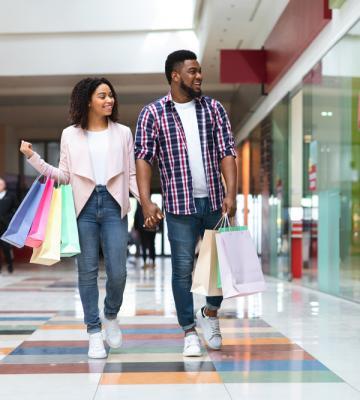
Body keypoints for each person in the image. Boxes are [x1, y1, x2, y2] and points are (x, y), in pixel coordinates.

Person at [20, 77, 139, 359]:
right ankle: (94, 332)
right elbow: (64, 176)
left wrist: (144, 202)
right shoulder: (69, 135)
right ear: (88, 100)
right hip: (82, 208)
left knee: (118, 271)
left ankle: (110, 314)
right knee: (86, 272)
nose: (109, 100)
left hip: (113, 205)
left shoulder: (123, 132)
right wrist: (33, 158)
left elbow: (131, 173)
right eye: (102, 96)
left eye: (111, 95)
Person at [135, 50, 237, 357]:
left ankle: (210, 313)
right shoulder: (153, 113)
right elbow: (143, 158)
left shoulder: (214, 109)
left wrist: (231, 192)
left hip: (215, 204)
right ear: (175, 76)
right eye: (192, 71)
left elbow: (227, 152)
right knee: (182, 270)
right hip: (179, 206)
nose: (199, 76)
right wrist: (145, 200)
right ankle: (189, 331)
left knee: (219, 267)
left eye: (200, 71)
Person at [0, 178, 17, 274]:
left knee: (6, 247)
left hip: (6, 226)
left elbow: (16, 208)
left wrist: (8, 218)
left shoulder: (11, 196)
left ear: (4, 185)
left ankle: (10, 264)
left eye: (1, 184)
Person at [134, 202, 157, 269]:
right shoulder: (154, 206)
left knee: (144, 246)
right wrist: (158, 227)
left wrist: (136, 228)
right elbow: (159, 217)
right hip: (152, 229)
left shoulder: (140, 208)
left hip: (143, 229)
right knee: (152, 245)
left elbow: (136, 218)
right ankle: (153, 262)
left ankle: (145, 263)